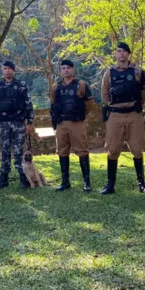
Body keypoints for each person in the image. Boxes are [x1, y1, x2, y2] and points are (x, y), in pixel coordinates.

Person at [100, 42, 145, 195]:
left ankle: (142, 184)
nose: (121, 54)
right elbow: (104, 94)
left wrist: (134, 105)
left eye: (124, 51)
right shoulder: (109, 73)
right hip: (115, 114)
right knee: (113, 149)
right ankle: (110, 185)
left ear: (129, 54)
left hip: (133, 114)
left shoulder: (138, 72)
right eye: (118, 51)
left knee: (137, 148)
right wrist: (113, 105)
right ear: (115, 54)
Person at [0, 61, 34, 189]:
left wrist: (30, 123)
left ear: (13, 70)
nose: (7, 71)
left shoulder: (21, 85)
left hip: (18, 122)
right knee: (4, 150)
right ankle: (3, 179)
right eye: (5, 69)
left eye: (10, 69)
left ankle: (23, 179)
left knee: (19, 151)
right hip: (4, 123)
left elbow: (28, 105)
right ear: (2, 70)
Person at [49, 59, 94, 192]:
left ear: (72, 69)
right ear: (61, 70)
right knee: (62, 151)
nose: (66, 70)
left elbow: (90, 103)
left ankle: (86, 182)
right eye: (63, 68)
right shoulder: (55, 87)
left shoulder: (81, 85)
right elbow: (53, 103)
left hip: (76, 122)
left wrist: (81, 114)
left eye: (68, 68)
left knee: (82, 151)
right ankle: (65, 181)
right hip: (61, 122)